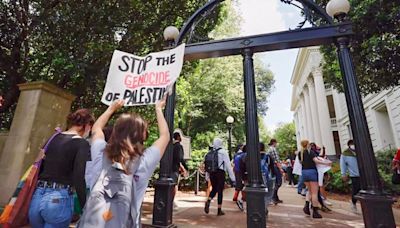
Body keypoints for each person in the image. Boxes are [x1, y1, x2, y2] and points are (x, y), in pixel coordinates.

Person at [78, 98, 169, 227]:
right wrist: (159, 109)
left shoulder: (100, 152)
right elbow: (165, 136)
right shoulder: (144, 160)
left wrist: (112, 108)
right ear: (142, 136)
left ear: (116, 131)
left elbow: (97, 128)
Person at [29, 108, 94, 227]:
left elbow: (39, 165)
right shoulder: (82, 144)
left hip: (37, 196)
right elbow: (79, 177)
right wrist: (85, 204)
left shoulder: (52, 138)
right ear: (85, 125)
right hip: (58, 199)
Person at [300, 140, 331, 219]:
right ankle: (315, 212)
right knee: (314, 193)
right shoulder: (310, 152)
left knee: (309, 191)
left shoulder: (300, 153)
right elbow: (316, 161)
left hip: (304, 172)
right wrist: (326, 163)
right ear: (307, 144)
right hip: (312, 172)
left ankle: (306, 207)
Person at [204, 138, 235, 216]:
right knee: (220, 190)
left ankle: (209, 200)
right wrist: (233, 178)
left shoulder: (210, 152)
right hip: (220, 172)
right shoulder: (223, 152)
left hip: (212, 173)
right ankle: (219, 210)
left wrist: (207, 176)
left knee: (214, 189)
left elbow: (207, 166)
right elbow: (228, 165)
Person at [340, 139, 361, 214]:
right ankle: (353, 202)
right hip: (354, 175)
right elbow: (343, 164)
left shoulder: (360, 151)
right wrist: (343, 174)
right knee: (356, 190)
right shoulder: (345, 154)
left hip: (363, 174)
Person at [172, 132, 188, 208]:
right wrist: (185, 167)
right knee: (174, 185)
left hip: (168, 168)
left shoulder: (170, 146)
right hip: (175, 168)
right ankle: (172, 201)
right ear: (178, 137)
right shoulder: (179, 146)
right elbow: (180, 158)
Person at [260, 142, 275, 213]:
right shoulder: (268, 156)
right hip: (267, 177)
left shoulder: (253, 156)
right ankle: (264, 207)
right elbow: (272, 168)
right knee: (268, 193)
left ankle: (261, 208)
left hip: (256, 179)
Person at [267, 139, 283, 204]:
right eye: (276, 143)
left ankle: (275, 197)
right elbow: (276, 160)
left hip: (271, 167)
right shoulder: (273, 149)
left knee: (276, 182)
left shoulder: (269, 149)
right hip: (275, 167)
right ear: (274, 143)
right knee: (278, 182)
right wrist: (280, 168)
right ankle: (274, 197)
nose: (276, 144)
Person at [232, 144, 246, 210]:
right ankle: (243, 199)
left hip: (237, 171)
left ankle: (235, 197)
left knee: (238, 185)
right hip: (242, 171)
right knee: (244, 185)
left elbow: (234, 163)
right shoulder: (244, 155)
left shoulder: (236, 155)